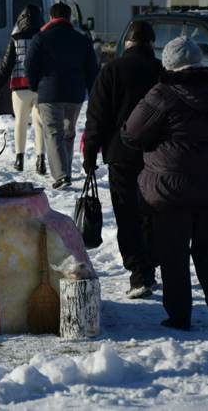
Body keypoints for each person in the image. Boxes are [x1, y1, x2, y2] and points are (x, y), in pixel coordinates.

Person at [121, 36, 208, 330]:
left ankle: (179, 314)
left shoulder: (163, 94)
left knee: (173, 252)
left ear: (169, 63)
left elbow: (132, 134)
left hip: (171, 189)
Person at [83, 21, 163, 299]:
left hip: (120, 155)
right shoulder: (160, 72)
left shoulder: (111, 71)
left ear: (126, 44)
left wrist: (90, 153)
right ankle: (150, 266)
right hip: (157, 156)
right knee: (153, 213)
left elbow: (97, 116)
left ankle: (139, 273)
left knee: (127, 215)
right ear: (151, 45)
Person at [25, 2, 98, 189]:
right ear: (69, 18)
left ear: (51, 17)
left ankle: (61, 175)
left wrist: (35, 86)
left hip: (49, 92)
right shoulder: (82, 39)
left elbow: (30, 64)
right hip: (75, 94)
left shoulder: (40, 38)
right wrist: (93, 94)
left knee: (53, 133)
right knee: (68, 133)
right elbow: (91, 70)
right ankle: (65, 172)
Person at [0, 5, 46, 173]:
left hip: (20, 87)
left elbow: (5, 67)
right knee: (39, 124)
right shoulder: (43, 38)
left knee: (20, 122)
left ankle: (19, 159)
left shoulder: (15, 39)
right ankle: (40, 161)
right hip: (40, 87)